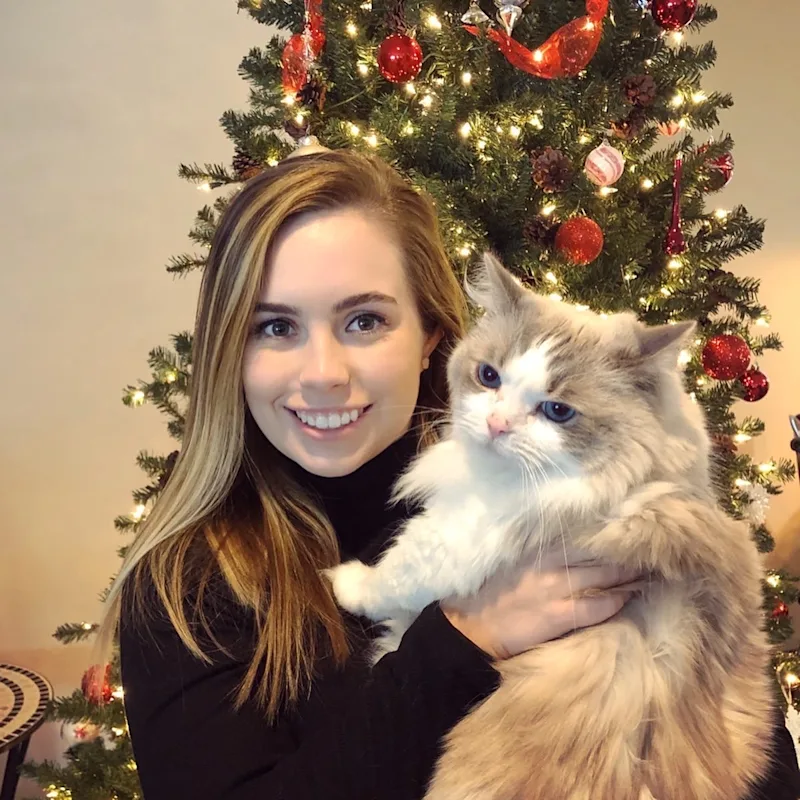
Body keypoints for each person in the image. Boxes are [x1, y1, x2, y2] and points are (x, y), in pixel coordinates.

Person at [105, 150, 800, 799]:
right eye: (276, 328)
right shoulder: (184, 586)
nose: (321, 375)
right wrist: (463, 639)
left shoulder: (586, 506)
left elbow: (757, 762)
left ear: (433, 332)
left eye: (364, 321)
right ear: (232, 346)